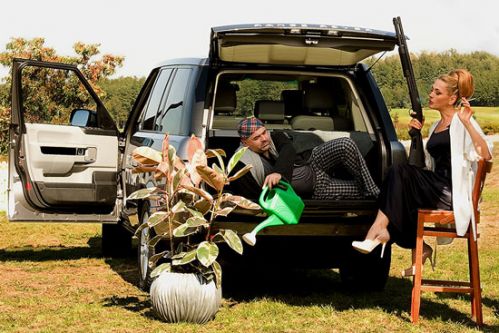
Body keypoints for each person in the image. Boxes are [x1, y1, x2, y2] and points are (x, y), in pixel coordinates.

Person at [352, 69, 493, 276]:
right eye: (432, 90)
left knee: (399, 173)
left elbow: (485, 154)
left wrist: (467, 124)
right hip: (436, 185)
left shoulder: (463, 121)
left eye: (437, 92)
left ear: (451, 98)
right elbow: (423, 166)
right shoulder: (436, 126)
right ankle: (412, 244)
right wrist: (415, 136)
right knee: (399, 185)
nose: (431, 95)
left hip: (451, 192)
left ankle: (380, 233)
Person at [231, 116, 380, 200]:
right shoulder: (242, 164)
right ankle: (373, 193)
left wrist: (279, 173)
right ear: (245, 142)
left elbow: (288, 149)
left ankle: (373, 191)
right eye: (257, 137)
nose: (264, 138)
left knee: (345, 143)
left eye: (264, 132)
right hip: (317, 188)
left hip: (313, 162)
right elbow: (253, 198)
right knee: (359, 193)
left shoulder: (275, 135)